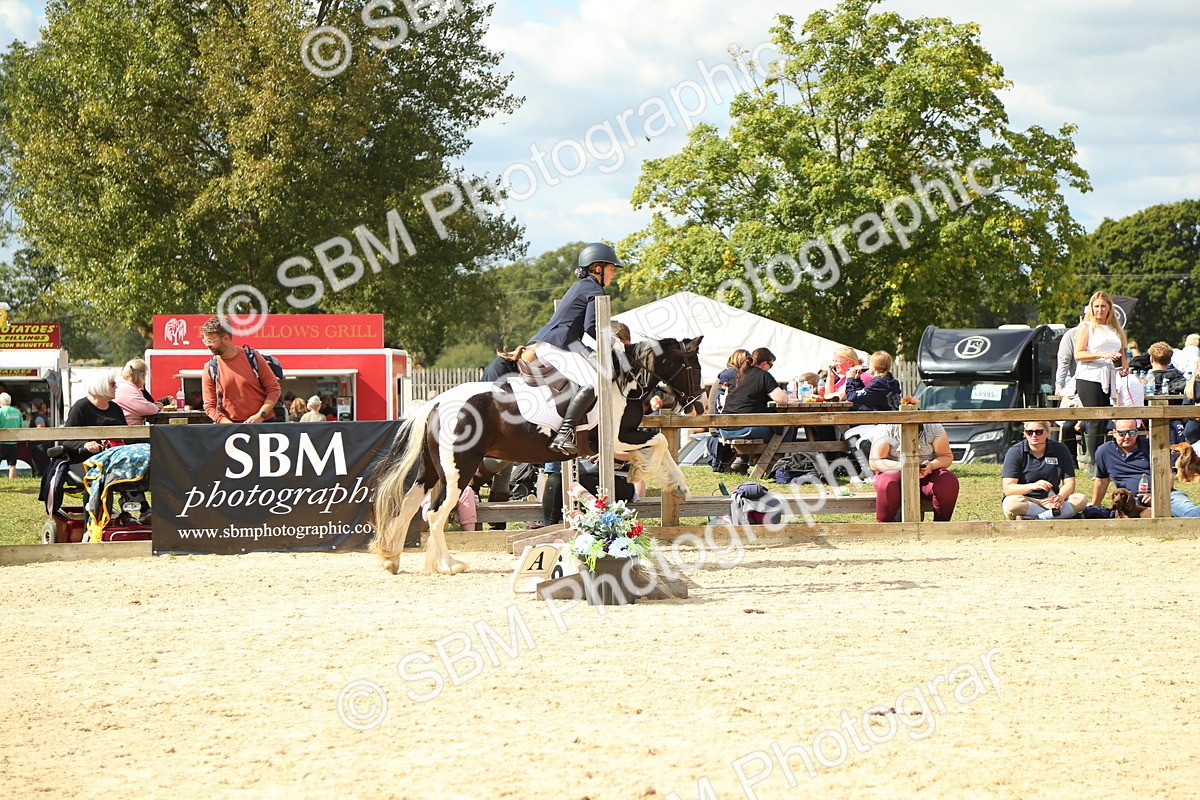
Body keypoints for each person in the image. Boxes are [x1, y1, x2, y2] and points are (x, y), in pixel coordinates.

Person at [528, 242, 624, 455]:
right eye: (611, 269)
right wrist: (612, 342)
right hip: (559, 345)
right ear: (597, 268)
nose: (613, 274)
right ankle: (563, 434)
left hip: (561, 343)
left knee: (592, 376)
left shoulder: (582, 286)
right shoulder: (594, 289)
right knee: (593, 383)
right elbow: (592, 327)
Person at [868, 401, 958, 522]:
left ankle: (941, 526)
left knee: (948, 481)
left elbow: (946, 456)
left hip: (925, 475)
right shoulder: (886, 429)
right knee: (889, 483)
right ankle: (884, 526)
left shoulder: (933, 427)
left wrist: (931, 465)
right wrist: (903, 466)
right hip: (894, 473)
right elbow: (875, 462)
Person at [1073, 291, 1129, 466]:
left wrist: (1124, 366)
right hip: (1089, 376)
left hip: (1109, 377)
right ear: (1091, 308)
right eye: (1096, 306)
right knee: (1096, 419)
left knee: (1105, 419)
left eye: (1103, 306)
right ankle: (1094, 463)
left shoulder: (1114, 329)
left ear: (1109, 308)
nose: (1099, 310)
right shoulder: (1087, 327)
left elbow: (1120, 352)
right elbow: (1078, 354)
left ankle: (1103, 461)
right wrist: (1102, 355)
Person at [200, 315, 282, 424]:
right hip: (230, 428)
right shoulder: (210, 368)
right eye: (205, 341)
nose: (207, 345)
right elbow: (209, 406)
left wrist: (261, 415)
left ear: (226, 338)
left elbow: (274, 389)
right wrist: (229, 425)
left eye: (211, 340)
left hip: (263, 424)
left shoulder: (253, 357)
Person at [1001, 420, 1087, 520]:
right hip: (1026, 500)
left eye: (1038, 432)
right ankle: (1058, 515)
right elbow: (1008, 489)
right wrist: (1033, 486)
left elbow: (1070, 483)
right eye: (1029, 432)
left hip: (1052, 500)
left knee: (1081, 499)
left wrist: (1060, 497)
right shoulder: (1015, 451)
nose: (1034, 435)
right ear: (1025, 433)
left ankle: (1037, 518)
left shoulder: (1060, 449)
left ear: (1047, 432)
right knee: (1011, 504)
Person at [717, 347, 789, 455]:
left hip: (725, 429)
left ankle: (744, 460)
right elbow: (782, 399)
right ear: (764, 363)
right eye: (771, 365)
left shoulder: (735, 374)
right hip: (744, 430)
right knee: (786, 428)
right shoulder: (763, 375)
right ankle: (777, 461)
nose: (770, 368)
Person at [61, 372, 128, 462]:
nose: (116, 387)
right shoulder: (80, 407)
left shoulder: (116, 408)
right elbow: (66, 440)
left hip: (117, 456)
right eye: (112, 384)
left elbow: (128, 436)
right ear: (101, 385)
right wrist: (85, 444)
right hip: (89, 460)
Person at [1091, 419, 1152, 509]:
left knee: (1180, 507)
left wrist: (1157, 494)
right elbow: (1102, 481)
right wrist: (1095, 506)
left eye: (1132, 433)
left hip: (1164, 494)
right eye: (1122, 433)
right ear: (1114, 433)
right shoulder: (1104, 451)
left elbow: (1168, 476)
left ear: (1137, 432)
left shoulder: (1151, 447)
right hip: (1130, 499)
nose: (1127, 437)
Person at [114, 358, 163, 425]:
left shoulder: (120, 385)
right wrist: (157, 406)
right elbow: (148, 409)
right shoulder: (129, 389)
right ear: (142, 375)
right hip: (130, 431)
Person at [0, 392, 25, 478]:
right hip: (13, 442)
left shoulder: (0, 412)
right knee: (12, 465)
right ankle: (12, 482)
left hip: (1, 442)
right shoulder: (17, 412)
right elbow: (21, 427)